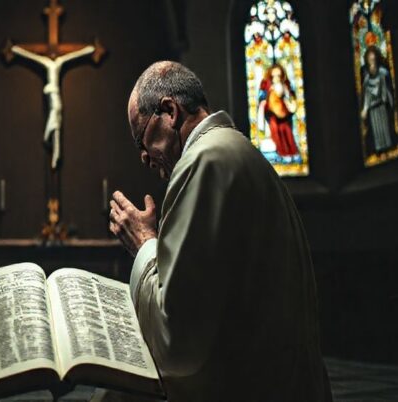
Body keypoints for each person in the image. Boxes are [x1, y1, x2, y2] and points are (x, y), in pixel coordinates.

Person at [108, 61, 331, 401]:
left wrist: (144, 243)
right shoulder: (238, 153)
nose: (144, 158)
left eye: (142, 139)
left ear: (169, 112)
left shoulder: (206, 162)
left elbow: (177, 341)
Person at [258, 63, 299, 161]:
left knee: (287, 134)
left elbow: (291, 97)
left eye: (278, 75)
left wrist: (287, 98)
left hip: (285, 115)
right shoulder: (266, 86)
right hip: (272, 115)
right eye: (274, 75)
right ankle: (280, 153)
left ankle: (291, 154)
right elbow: (262, 97)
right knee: (276, 134)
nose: (276, 77)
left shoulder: (286, 85)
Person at [360, 45, 395, 153]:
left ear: (376, 58)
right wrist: (365, 109)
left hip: (382, 106)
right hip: (373, 109)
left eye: (373, 58)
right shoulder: (366, 80)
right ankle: (379, 150)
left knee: (385, 130)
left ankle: (389, 148)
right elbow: (366, 96)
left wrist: (391, 102)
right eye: (369, 59)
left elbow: (388, 91)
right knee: (377, 132)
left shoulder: (383, 73)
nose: (371, 61)